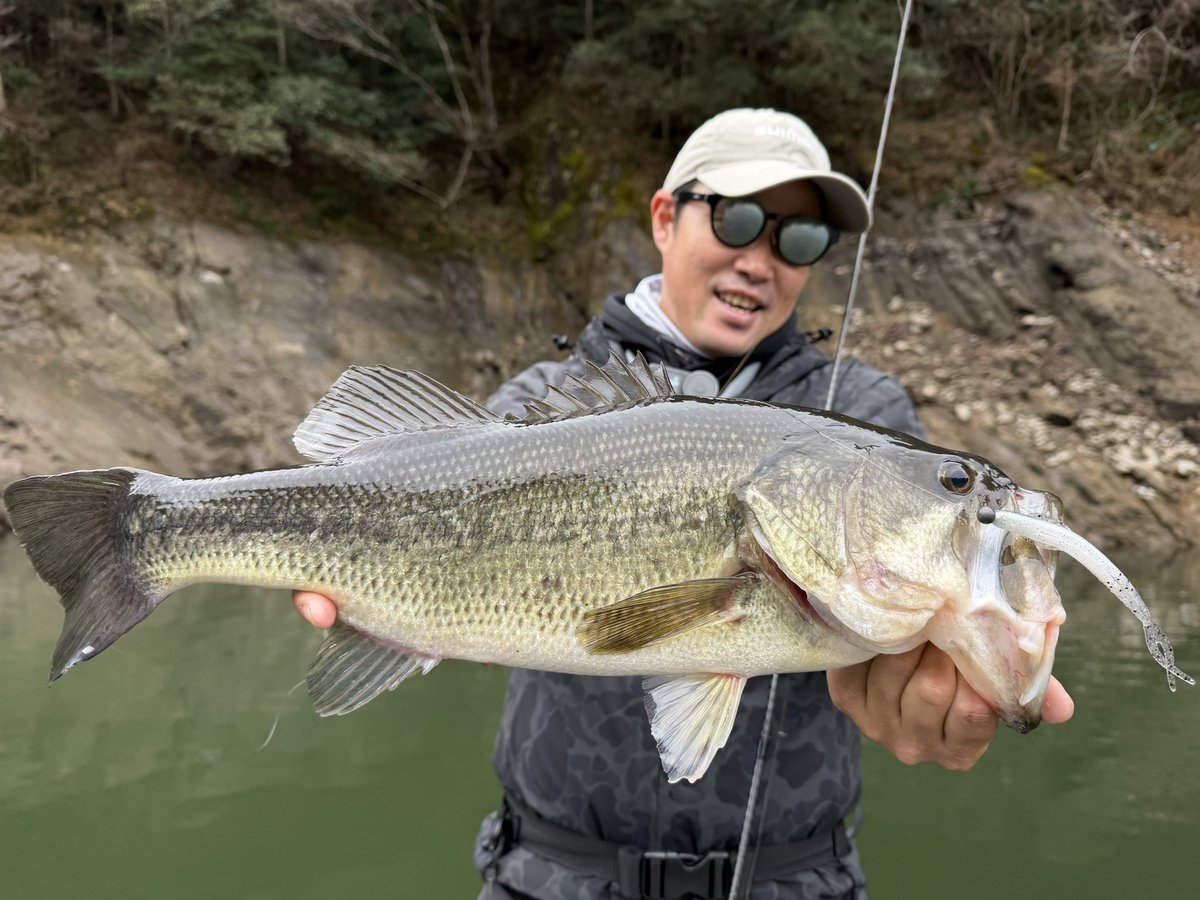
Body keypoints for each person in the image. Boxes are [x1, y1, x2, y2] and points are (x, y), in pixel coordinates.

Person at [293, 108, 1074, 899]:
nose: (760, 260)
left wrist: (947, 671)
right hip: (548, 877)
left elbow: (931, 604)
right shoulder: (538, 405)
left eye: (800, 238)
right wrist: (381, 606)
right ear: (665, 218)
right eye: (738, 220)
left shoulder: (865, 416)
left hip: (794, 881)